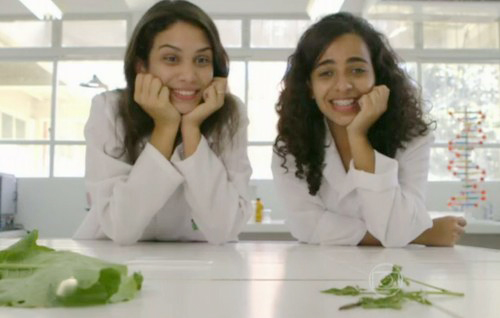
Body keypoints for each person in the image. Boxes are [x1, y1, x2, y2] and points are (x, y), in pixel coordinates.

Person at [272, 12, 466, 247]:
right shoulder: (291, 145)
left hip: (392, 275)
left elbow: (397, 229)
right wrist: (422, 234)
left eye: (357, 70)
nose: (343, 85)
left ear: (378, 76)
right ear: (310, 87)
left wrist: (358, 136)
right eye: (326, 73)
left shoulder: (413, 138)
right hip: (320, 272)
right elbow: (308, 227)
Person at [74, 0, 252, 245]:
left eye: (201, 60)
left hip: (197, 263)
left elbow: (224, 229)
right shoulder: (110, 109)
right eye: (171, 58)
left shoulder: (230, 115)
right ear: (142, 66)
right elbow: (120, 227)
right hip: (113, 256)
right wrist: (165, 128)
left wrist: (191, 129)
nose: (189, 76)